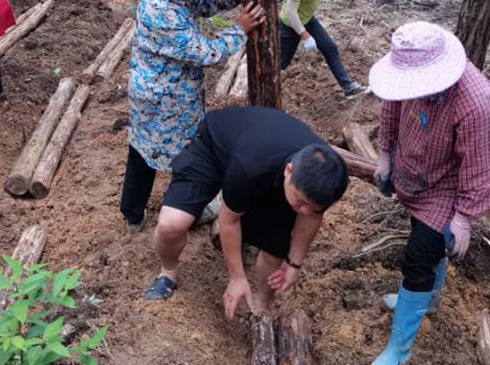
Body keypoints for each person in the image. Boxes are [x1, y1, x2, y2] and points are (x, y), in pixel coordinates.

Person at [366, 21, 490, 365]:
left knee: (418, 255)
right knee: (421, 236)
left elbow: (480, 165)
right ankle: (429, 298)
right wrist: (385, 152)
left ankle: (399, 349)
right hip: (416, 170)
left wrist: (465, 217)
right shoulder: (407, 80)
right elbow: (392, 107)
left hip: (448, 184)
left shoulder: (475, 106)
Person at [123, 0, 265, 233]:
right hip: (167, 100)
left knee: (142, 150)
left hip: (155, 91)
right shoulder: (162, 11)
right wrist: (239, 30)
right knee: (187, 158)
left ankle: (132, 212)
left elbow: (202, 0)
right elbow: (206, 52)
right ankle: (188, 211)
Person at [143, 106, 348, 313]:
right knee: (172, 225)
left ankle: (261, 307)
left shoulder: (327, 178)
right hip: (213, 148)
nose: (303, 211)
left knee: (275, 249)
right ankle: (167, 272)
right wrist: (237, 278)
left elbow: (312, 216)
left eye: (312, 207)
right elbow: (229, 220)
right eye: (301, 203)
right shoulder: (250, 168)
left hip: (263, 167)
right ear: (289, 171)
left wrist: (294, 263)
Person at [279, 0, 365, 98]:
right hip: (290, 26)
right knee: (281, 64)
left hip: (307, 20)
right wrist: (305, 35)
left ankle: (349, 88)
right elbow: (291, 13)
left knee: (330, 48)